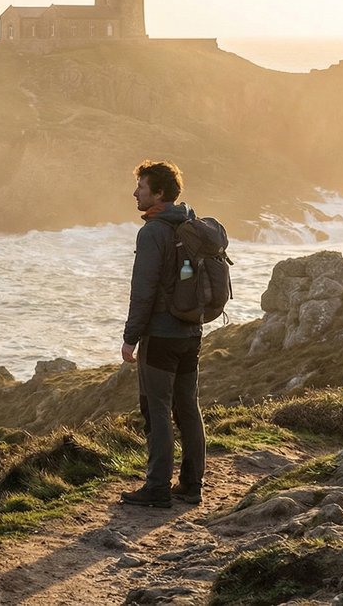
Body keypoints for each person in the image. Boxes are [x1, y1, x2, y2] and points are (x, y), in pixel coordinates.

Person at [119, 160, 205, 508]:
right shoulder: (190, 223)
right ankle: (191, 484)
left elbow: (144, 289)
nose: (135, 192)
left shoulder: (152, 232)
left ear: (158, 193)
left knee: (157, 410)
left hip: (161, 336)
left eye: (141, 186)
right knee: (187, 408)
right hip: (191, 332)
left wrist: (131, 336)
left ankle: (156, 488)